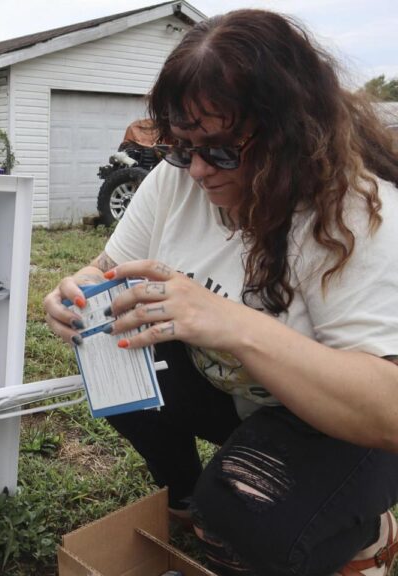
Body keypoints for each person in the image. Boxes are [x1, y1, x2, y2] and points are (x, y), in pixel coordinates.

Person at [43, 9, 398, 576]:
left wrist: (230, 321)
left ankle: (363, 533)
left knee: (240, 518)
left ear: (293, 134)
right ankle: (185, 496)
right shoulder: (174, 179)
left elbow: (388, 409)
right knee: (113, 341)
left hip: (347, 427)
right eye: (182, 147)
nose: (199, 170)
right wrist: (75, 296)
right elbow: (104, 269)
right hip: (243, 394)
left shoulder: (355, 215)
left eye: (223, 150)